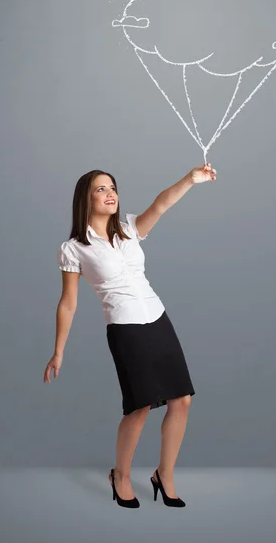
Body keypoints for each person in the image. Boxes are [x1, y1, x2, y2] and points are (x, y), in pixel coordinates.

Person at [43, 162, 217, 508]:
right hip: (124, 328)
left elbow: (162, 204)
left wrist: (191, 179)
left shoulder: (129, 229)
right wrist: (58, 351)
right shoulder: (74, 248)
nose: (110, 194)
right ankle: (120, 476)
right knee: (139, 407)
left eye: (112, 188)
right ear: (85, 199)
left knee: (182, 400)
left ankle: (163, 475)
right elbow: (68, 304)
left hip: (157, 317)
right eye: (100, 189)